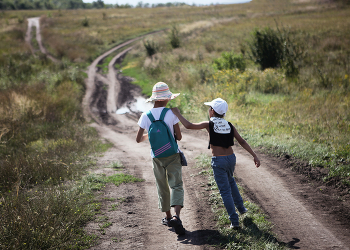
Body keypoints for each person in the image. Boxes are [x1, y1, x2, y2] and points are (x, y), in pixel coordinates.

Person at [171, 98, 260, 229]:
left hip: (219, 161)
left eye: (209, 108)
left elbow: (189, 125)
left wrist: (177, 113)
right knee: (231, 181)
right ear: (223, 113)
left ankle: (234, 221)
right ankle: (241, 208)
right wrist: (254, 155)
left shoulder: (209, 124)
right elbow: (242, 141)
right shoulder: (229, 125)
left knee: (225, 191)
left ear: (212, 111)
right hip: (231, 158)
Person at [136, 82, 186, 235]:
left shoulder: (146, 116)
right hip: (172, 155)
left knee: (162, 186)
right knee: (176, 184)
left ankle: (168, 217)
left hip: (157, 157)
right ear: (166, 99)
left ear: (154, 99)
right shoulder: (171, 114)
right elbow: (179, 136)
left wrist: (152, 137)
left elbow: (138, 139)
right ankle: (177, 217)